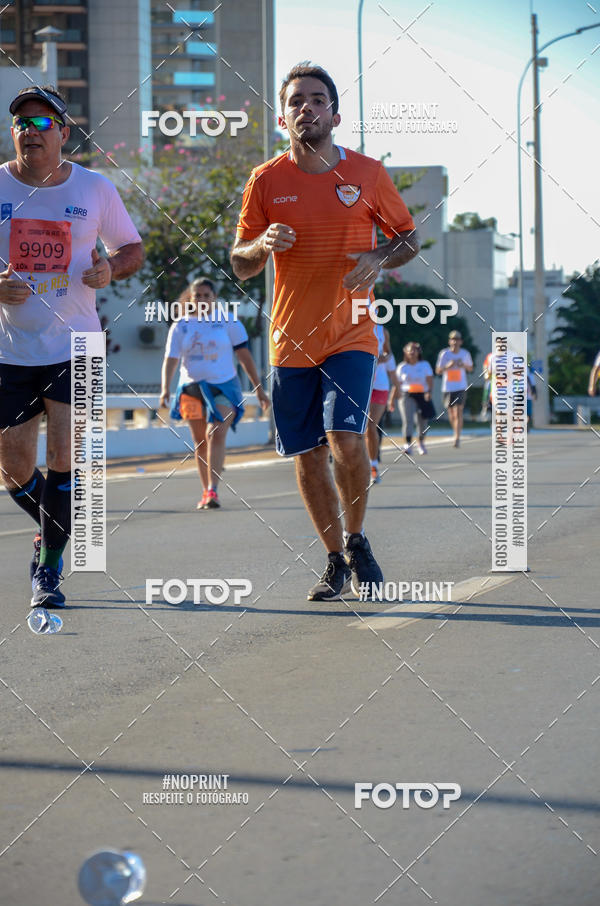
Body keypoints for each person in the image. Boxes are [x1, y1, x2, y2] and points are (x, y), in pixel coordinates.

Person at [230, 62, 419, 601]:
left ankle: (357, 539)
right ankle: (334, 558)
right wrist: (261, 244)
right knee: (308, 455)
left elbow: (408, 238)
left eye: (317, 99)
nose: (306, 108)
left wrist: (379, 255)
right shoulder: (265, 181)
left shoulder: (367, 173)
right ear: (283, 116)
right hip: (290, 339)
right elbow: (240, 264)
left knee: (345, 439)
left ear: (334, 113)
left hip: (351, 333)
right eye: (296, 101)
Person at [0, 85, 144, 608]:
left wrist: (111, 266)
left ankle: (48, 569)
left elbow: (131, 248)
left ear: (64, 132)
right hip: (9, 349)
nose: (28, 133)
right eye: (20, 124)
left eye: (41, 125)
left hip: (76, 346)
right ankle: (56, 522)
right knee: (13, 466)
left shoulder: (95, 188)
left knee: (65, 457)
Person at [159, 277, 270, 509]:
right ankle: (206, 491)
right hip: (191, 387)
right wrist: (164, 389)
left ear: (214, 298)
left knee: (215, 432)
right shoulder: (181, 325)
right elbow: (171, 359)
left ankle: (213, 489)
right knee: (200, 441)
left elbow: (245, 357)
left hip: (223, 386)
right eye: (197, 295)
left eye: (206, 295)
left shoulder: (229, 322)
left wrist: (259, 389)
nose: (201, 299)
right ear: (191, 298)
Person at [390, 342, 434, 455]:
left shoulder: (424, 365)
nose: (412, 353)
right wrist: (391, 400)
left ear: (419, 352)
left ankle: (421, 442)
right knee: (407, 420)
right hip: (407, 395)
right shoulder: (402, 367)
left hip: (422, 395)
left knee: (422, 421)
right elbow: (397, 384)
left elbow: (429, 380)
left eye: (415, 350)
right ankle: (408, 444)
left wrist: (429, 392)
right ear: (406, 352)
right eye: (410, 350)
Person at [367, 324, 397, 484]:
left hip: (380, 384)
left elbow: (388, 352)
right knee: (356, 430)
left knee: (371, 426)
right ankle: (360, 462)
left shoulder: (382, 330)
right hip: (360, 384)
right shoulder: (351, 325)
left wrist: (385, 357)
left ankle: (373, 465)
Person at [436, 329, 473, 448]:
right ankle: (455, 431)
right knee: (451, 414)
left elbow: (470, 369)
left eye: (457, 339)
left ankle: (457, 437)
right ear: (449, 341)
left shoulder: (465, 353)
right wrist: (447, 366)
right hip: (447, 387)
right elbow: (438, 370)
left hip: (461, 386)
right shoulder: (444, 354)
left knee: (458, 412)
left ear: (461, 341)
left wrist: (464, 365)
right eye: (453, 339)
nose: (455, 342)